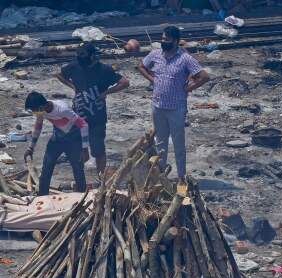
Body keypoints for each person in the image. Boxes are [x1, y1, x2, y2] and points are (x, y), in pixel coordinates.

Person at [137, 25, 210, 182]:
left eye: (167, 39)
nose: (164, 42)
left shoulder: (185, 58)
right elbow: (141, 66)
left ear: (176, 41)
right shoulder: (156, 54)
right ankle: (162, 178)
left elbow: (204, 76)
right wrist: (152, 79)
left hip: (176, 108)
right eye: (162, 39)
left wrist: (189, 88)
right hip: (158, 107)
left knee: (178, 145)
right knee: (161, 143)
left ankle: (182, 178)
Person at [57, 43, 129, 179]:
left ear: (91, 55)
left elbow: (125, 82)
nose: (80, 58)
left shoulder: (104, 70)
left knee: (98, 150)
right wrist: (73, 86)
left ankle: (101, 178)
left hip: (97, 117)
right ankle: (80, 179)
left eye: (83, 55)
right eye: (78, 55)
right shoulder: (74, 66)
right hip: (79, 115)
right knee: (77, 148)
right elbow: (60, 75)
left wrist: (107, 92)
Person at [24, 92, 89, 196]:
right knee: (46, 168)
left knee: (78, 169)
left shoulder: (62, 109)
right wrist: (30, 148)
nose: (35, 113)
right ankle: (42, 197)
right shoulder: (41, 111)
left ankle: (82, 197)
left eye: (34, 111)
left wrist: (85, 149)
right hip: (57, 139)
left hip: (74, 140)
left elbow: (83, 125)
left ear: (41, 106)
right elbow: (38, 126)